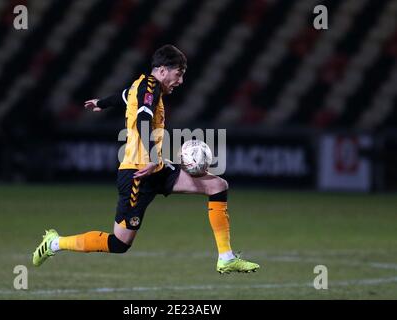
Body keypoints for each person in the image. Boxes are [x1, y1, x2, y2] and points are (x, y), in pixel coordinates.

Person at [32, 44, 259, 274]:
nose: (180, 81)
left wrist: (101, 103)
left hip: (155, 168)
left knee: (217, 186)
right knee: (119, 243)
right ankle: (55, 243)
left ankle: (226, 258)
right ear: (162, 70)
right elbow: (142, 119)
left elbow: (123, 95)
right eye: (178, 74)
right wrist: (152, 157)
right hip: (137, 174)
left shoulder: (141, 87)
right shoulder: (149, 87)